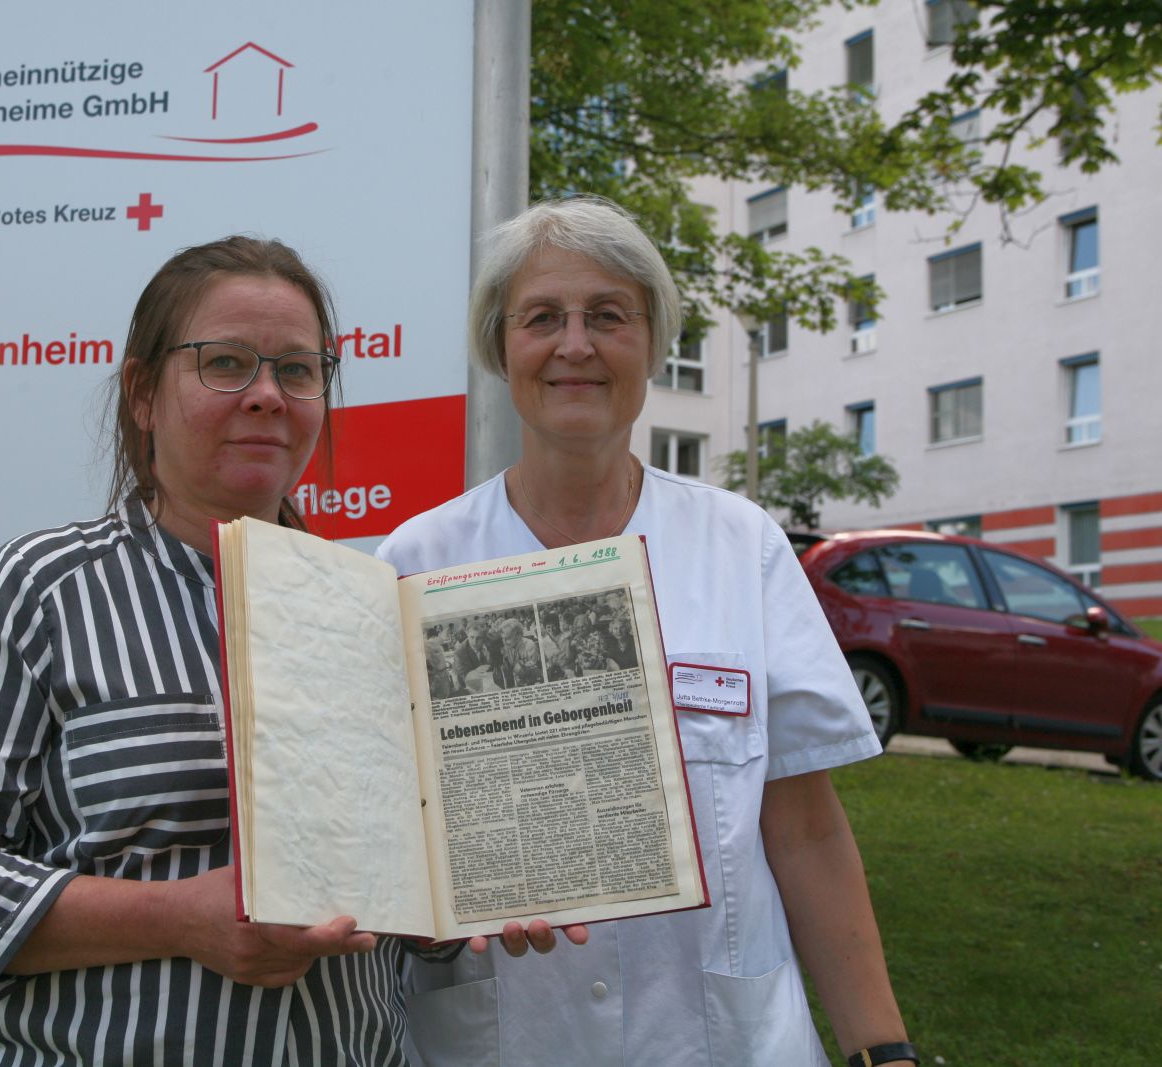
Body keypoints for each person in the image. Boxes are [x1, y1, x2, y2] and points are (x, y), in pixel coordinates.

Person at [378, 197, 915, 1067]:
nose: (576, 345)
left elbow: (806, 829)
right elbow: (386, 839)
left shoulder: (743, 544)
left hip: (724, 1041)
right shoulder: (416, 560)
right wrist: (434, 923)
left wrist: (881, 1049)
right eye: (542, 317)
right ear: (499, 347)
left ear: (655, 342)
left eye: (609, 316)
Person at [0, 235, 409, 1065]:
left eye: (299, 370)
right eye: (227, 362)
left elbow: (400, 886)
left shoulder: (370, 603)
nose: (268, 395)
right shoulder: (42, 589)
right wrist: (181, 918)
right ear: (141, 392)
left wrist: (474, 901)